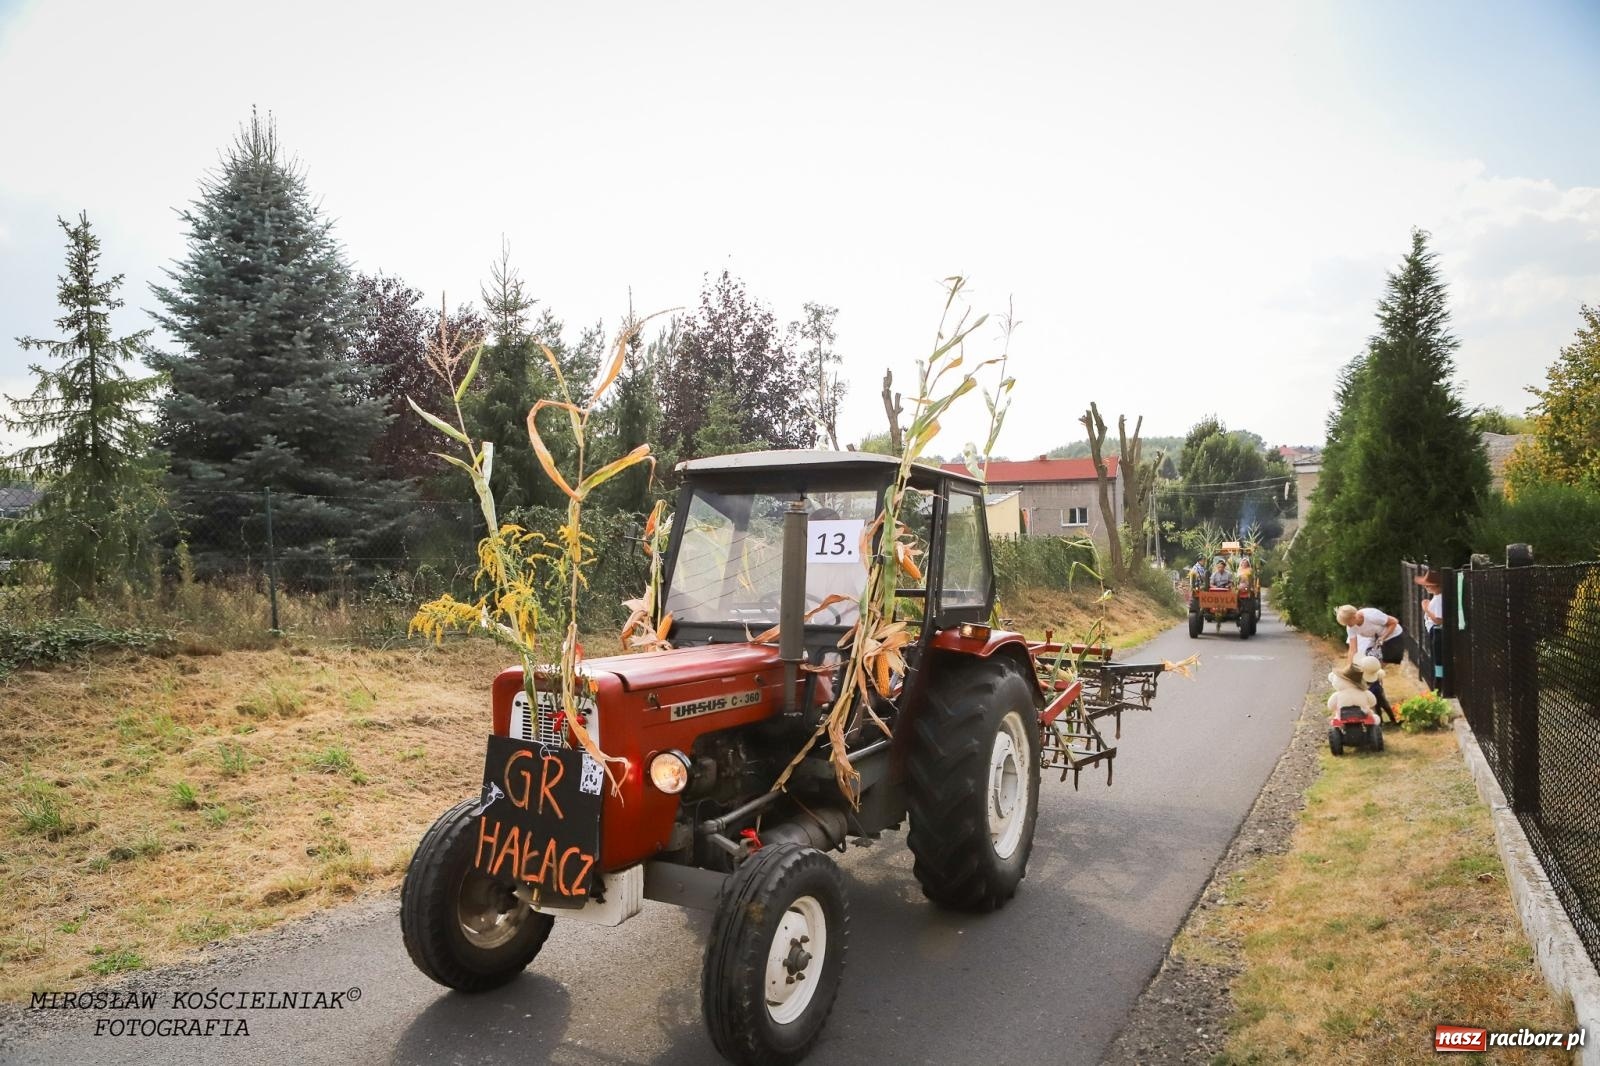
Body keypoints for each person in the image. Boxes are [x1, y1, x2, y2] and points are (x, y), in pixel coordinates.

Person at [1335, 604, 1403, 665]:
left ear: (1353, 617)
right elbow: (1353, 649)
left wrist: (1383, 637)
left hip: (1394, 635)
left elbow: (1394, 622)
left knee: (1377, 666)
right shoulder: (1350, 627)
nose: (1348, 626)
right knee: (1368, 665)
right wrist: (1349, 668)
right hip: (1378, 640)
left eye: (1348, 623)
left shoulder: (1371, 615)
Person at [1417, 572, 1444, 692]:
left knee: (1438, 659)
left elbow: (1438, 620)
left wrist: (1426, 609)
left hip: (1437, 631)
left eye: (1428, 585)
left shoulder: (1439, 598)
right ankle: (1438, 683)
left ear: (1437, 585)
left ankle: (1439, 685)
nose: (1425, 587)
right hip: (1434, 631)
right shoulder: (1437, 597)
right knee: (1436, 659)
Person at [1357, 654, 1397, 724]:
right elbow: (1380, 679)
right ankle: (1391, 720)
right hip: (1377, 690)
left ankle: (1382, 722)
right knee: (1384, 705)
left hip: (1372, 691)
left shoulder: (1363, 675)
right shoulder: (1375, 672)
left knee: (1377, 707)